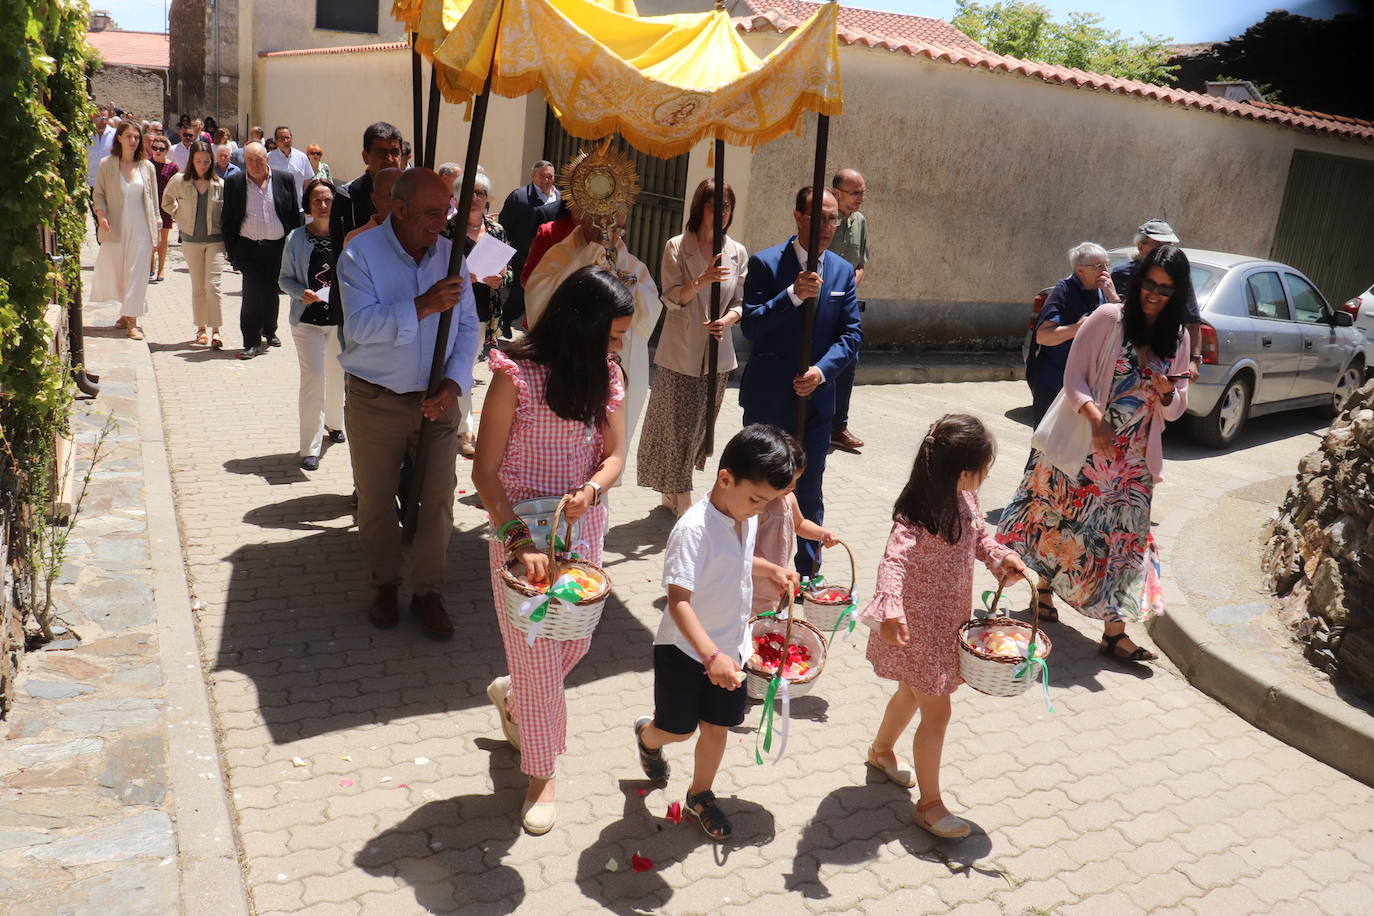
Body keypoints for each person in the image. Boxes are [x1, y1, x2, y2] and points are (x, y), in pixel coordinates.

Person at [474, 266, 632, 836]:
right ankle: (541, 773)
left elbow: (615, 456)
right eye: (612, 336)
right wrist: (517, 544)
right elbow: (485, 471)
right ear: (581, 327)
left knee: (575, 642)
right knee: (541, 658)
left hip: (581, 535)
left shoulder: (608, 376)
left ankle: (515, 697)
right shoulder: (514, 376)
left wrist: (591, 490)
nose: (618, 348)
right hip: (518, 534)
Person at [997, 245, 1192, 662]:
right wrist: (1095, 419)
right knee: (1062, 522)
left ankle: (1114, 633)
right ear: (1137, 281)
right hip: (1087, 444)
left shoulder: (1178, 338)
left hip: (1134, 460)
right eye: (1149, 284)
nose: (1154, 294)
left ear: (1178, 294)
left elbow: (1176, 409)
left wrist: (1168, 391)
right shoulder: (1108, 320)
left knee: (1125, 543)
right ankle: (1044, 593)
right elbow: (1074, 378)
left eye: (1166, 289)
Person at [861, 414, 1026, 839]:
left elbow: (980, 540)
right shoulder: (917, 512)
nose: (987, 475)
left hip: (948, 622)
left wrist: (999, 559)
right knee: (938, 709)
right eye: (985, 468)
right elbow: (893, 562)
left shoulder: (966, 500)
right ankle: (930, 805)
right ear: (964, 471)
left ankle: (881, 752)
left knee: (908, 693)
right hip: (917, 629)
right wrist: (891, 608)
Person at [633, 424, 800, 841]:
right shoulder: (694, 529)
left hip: (732, 649)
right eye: (756, 499)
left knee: (717, 727)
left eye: (768, 502)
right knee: (679, 729)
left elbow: (739, 562)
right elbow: (678, 601)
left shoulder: (739, 515)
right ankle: (647, 737)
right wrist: (711, 656)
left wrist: (772, 568)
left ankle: (700, 795)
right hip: (686, 653)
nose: (760, 510)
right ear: (725, 477)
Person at [336, 168, 479, 640]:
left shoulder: (453, 255)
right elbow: (358, 328)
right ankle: (385, 583)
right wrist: (422, 305)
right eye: (432, 213)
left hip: (438, 401)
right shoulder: (361, 253)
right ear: (399, 208)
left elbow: (467, 327)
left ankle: (426, 591)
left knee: (438, 497)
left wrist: (454, 385)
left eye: (447, 212)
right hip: (377, 400)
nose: (443, 223)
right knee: (377, 501)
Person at [739, 185, 862, 577]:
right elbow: (753, 325)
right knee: (759, 485)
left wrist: (823, 371)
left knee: (808, 489)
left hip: (816, 401)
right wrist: (791, 295)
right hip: (770, 399)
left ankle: (807, 574)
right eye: (818, 217)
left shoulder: (842, 270)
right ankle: (748, 567)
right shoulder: (765, 263)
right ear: (798, 217)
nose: (826, 226)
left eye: (832, 218)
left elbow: (851, 334)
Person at [636, 179, 748, 516]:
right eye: (715, 206)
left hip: (718, 355)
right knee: (676, 429)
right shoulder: (676, 247)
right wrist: (702, 280)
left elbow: (742, 302)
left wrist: (728, 319)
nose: (722, 213)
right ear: (700, 208)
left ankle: (674, 489)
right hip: (680, 353)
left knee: (700, 428)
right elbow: (670, 298)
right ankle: (681, 497)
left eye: (727, 206)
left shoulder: (738, 252)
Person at [524, 210, 660, 439]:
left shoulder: (633, 265)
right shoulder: (559, 256)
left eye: (617, 228)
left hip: (617, 368)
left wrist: (630, 288)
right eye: (603, 225)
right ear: (583, 220)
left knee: (612, 437)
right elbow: (538, 295)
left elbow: (650, 311)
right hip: (565, 368)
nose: (612, 234)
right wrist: (589, 257)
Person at [444, 170, 511, 457]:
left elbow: (509, 271)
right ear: (456, 198)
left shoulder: (496, 230)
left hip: (485, 312)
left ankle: (460, 426)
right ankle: (464, 431)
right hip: (453, 308)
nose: (475, 198)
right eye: (469, 192)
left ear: (487, 200)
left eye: (481, 194)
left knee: (466, 370)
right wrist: (463, 277)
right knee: (462, 369)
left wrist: (501, 277)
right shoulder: (447, 229)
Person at [280, 178, 345, 471]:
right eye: (316, 200)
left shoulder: (346, 236)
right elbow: (284, 278)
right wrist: (299, 292)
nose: (322, 205)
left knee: (336, 375)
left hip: (339, 320)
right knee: (313, 378)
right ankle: (309, 447)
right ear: (308, 204)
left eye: (327, 200)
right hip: (306, 320)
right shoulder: (295, 238)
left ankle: (334, 424)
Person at [221, 141, 304, 359]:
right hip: (249, 248)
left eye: (260, 160)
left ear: (267, 159)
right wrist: (231, 251)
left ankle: (270, 330)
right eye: (251, 160)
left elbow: (294, 214)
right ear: (244, 161)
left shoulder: (284, 179)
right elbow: (228, 219)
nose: (256, 164)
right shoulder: (234, 183)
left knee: (272, 291)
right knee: (252, 294)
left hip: (278, 247)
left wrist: (296, 249)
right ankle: (251, 342)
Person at [1024, 242, 1119, 424]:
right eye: (1099, 266)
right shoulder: (1063, 291)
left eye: (1107, 265)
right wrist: (1077, 328)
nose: (1105, 271)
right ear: (1080, 270)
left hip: (1085, 382)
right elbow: (1043, 336)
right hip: (1054, 379)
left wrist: (1113, 297)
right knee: (1046, 444)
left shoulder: (1104, 292)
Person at [750, 440, 836, 616]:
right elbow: (746, 549)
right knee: (757, 622)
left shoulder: (788, 499)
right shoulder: (758, 507)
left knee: (775, 615)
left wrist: (822, 534)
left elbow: (800, 524)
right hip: (756, 581)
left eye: (796, 480)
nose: (793, 487)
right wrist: (772, 570)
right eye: (788, 481)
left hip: (778, 575)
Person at [91, 120, 159, 340]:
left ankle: (132, 321)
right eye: (129, 136)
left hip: (141, 228)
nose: (133, 141)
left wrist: (156, 231)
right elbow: (98, 194)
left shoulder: (146, 167)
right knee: (119, 273)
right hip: (116, 228)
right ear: (119, 138)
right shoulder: (106, 164)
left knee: (137, 274)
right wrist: (101, 215)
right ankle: (124, 312)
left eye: (136, 137)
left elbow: (153, 202)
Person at [1112, 219, 1202, 377]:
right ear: (1140, 246)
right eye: (1158, 245)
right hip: (1118, 360)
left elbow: (1193, 322)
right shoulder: (1121, 275)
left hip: (1161, 359)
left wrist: (1194, 360)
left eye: (1168, 245)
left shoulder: (1179, 280)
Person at [160, 140, 225, 349]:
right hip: (191, 240)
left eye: (206, 161)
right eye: (198, 161)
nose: (203, 165)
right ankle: (201, 328)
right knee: (199, 287)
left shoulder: (219, 184)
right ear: (192, 161)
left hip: (215, 239)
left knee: (213, 285)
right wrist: (179, 216)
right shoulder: (180, 180)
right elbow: (166, 201)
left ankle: (216, 329)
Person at [828, 168, 869, 453]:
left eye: (863, 192)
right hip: (821, 305)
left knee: (848, 362)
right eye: (855, 193)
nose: (860, 198)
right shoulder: (823, 218)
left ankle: (838, 427)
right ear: (837, 192)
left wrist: (853, 281)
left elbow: (862, 262)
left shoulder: (861, 222)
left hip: (848, 306)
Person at [499, 159, 561, 328]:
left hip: (553, 258)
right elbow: (505, 225)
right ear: (532, 176)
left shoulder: (561, 199)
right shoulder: (519, 197)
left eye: (550, 176)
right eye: (542, 176)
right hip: (526, 255)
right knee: (520, 295)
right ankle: (507, 320)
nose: (547, 180)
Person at [330, 122, 403, 258]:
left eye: (394, 152)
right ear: (365, 156)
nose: (389, 159)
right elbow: (340, 253)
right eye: (381, 153)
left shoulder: (415, 192)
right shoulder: (348, 196)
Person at [148, 136, 180, 282]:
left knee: (163, 241)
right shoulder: (146, 164)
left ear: (167, 151)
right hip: (149, 205)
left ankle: (161, 270)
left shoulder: (172, 167)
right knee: (150, 239)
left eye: (161, 149)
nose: (157, 151)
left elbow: (177, 187)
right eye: (155, 148)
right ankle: (150, 265)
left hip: (165, 206)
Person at [343, 168, 400, 248]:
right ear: (375, 200)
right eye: (392, 196)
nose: (401, 203)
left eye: (406, 195)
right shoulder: (357, 240)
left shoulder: (419, 234)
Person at [267, 126, 313, 206]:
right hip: (275, 208)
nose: (285, 141)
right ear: (276, 141)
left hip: (297, 206)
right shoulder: (268, 158)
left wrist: (306, 202)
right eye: (282, 138)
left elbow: (307, 181)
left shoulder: (302, 158)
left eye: (287, 137)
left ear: (292, 138)